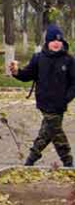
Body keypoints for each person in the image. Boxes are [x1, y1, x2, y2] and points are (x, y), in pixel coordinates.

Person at [10, 24, 75, 167]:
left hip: (59, 104)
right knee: (54, 131)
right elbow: (27, 75)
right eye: (53, 40)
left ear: (62, 42)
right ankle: (68, 162)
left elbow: (74, 83)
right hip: (44, 102)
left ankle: (31, 160)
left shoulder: (69, 60)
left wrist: (66, 98)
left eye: (59, 41)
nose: (56, 43)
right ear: (48, 42)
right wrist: (16, 72)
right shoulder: (38, 58)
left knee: (48, 132)